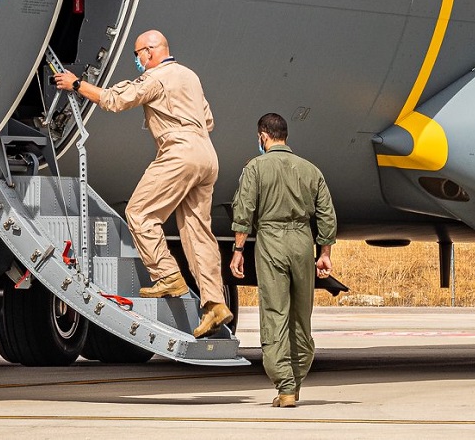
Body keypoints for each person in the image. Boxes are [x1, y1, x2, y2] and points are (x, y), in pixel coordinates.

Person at [53, 29, 231, 339]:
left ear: (149, 52)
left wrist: (76, 84)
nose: (137, 60)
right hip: (206, 154)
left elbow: (114, 99)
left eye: (137, 55)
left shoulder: (155, 78)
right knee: (196, 231)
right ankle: (215, 303)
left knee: (140, 213)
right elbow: (208, 120)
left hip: (179, 152)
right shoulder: (189, 75)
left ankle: (167, 275)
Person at [229, 112, 336, 408]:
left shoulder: (255, 168)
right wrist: (324, 253)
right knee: (301, 315)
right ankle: (297, 380)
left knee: (276, 312)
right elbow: (326, 213)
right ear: (285, 135)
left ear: (263, 136)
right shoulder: (310, 170)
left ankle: (285, 385)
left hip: (271, 240)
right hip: (302, 241)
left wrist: (238, 251)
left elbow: (244, 211)